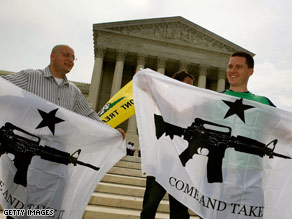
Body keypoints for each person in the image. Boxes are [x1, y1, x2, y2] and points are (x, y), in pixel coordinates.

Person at [1, 44, 125, 139]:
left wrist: (110, 131)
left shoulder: (74, 91)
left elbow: (89, 115)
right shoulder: (30, 77)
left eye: (73, 58)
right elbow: (3, 86)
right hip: (26, 142)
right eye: (66, 55)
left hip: (55, 147)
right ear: (52, 56)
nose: (70, 60)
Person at [140, 71, 193, 219]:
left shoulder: (193, 109)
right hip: (160, 161)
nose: (189, 89)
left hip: (181, 165)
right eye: (186, 85)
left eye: (192, 86)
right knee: (150, 206)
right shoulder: (160, 103)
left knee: (180, 210)